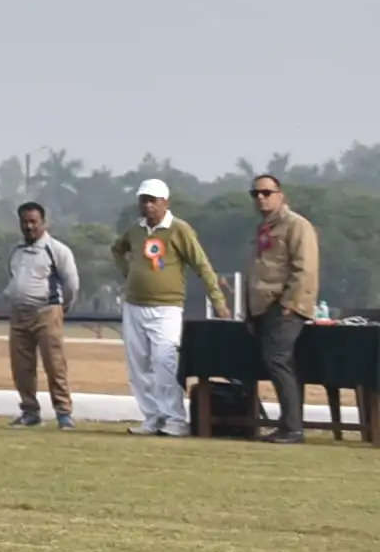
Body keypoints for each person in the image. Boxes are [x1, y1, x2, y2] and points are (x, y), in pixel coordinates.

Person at [110, 178, 225, 436]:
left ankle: (175, 419)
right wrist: (128, 273)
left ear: (165, 202)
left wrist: (217, 299)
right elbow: (117, 249)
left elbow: (201, 264)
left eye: (153, 200)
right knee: (138, 366)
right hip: (134, 306)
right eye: (143, 200)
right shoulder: (135, 230)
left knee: (165, 363)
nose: (148, 206)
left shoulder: (179, 229)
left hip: (167, 308)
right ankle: (152, 418)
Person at [244, 174, 321, 445]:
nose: (261, 198)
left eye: (266, 192)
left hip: (285, 306)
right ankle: (289, 425)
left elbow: (305, 269)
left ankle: (292, 429)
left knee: (278, 361)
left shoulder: (296, 226)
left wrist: (290, 304)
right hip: (262, 307)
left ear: (280, 194)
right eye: (255, 194)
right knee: (279, 363)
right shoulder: (264, 228)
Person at [1, 201, 80, 429]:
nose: (29, 227)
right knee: (21, 367)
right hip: (19, 316)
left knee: (54, 364)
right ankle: (29, 411)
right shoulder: (16, 251)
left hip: (47, 313)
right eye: (24, 222)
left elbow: (72, 285)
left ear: (44, 223)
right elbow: (14, 278)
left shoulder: (57, 250)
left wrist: (61, 309)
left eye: (33, 222)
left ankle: (63, 413)